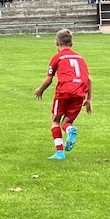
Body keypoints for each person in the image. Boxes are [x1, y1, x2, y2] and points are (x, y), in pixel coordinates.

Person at [33, 29, 93, 160]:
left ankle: (60, 153)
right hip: (79, 92)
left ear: (57, 43)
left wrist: (40, 90)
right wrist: (88, 99)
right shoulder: (80, 58)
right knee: (67, 122)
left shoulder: (57, 57)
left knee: (55, 120)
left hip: (64, 91)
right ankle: (70, 129)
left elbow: (49, 78)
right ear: (71, 44)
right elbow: (89, 79)